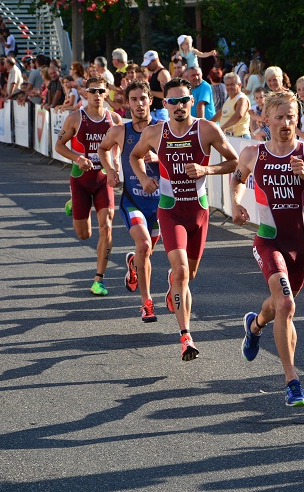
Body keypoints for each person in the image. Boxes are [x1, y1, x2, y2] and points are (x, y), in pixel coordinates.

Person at [231, 90, 304, 407]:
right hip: (269, 240)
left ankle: (254, 325)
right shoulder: (254, 154)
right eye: (279, 117)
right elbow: (238, 178)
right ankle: (292, 382)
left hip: (302, 245)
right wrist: (236, 203)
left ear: (298, 119)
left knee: (277, 306)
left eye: (291, 117)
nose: (285, 123)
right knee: (286, 306)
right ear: (265, 119)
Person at [129, 77, 239, 360]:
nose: (180, 106)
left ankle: (174, 286)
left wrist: (207, 171)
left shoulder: (207, 129)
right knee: (180, 273)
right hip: (171, 210)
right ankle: (186, 337)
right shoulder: (155, 133)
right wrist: (143, 178)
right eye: (174, 101)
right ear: (164, 104)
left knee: (189, 275)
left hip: (198, 213)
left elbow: (234, 161)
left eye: (185, 100)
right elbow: (135, 157)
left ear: (192, 101)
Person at [98, 81, 162, 322]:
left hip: (159, 204)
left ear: (150, 101)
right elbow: (103, 149)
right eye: (134, 99)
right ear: (128, 103)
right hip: (133, 200)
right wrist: (111, 169)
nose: (139, 103)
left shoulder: (163, 129)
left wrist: (158, 156)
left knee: (145, 252)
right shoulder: (120, 132)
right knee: (144, 245)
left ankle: (133, 264)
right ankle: (147, 303)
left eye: (143, 98)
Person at [54, 77, 122, 296]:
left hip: (103, 180)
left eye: (100, 91)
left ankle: (99, 279)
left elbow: (119, 145)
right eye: (92, 90)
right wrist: (77, 158)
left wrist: (115, 161)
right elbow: (59, 146)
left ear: (106, 94)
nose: (96, 94)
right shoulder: (75, 118)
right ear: (85, 93)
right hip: (81, 180)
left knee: (107, 226)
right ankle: (73, 203)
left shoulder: (114, 119)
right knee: (84, 235)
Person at [216, 72, 251, 138]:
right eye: (227, 85)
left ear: (239, 85)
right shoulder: (229, 99)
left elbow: (239, 115)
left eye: (232, 84)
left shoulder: (242, 99)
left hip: (240, 137)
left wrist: (222, 128)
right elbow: (220, 114)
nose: (229, 87)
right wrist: (205, 123)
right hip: (230, 137)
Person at [141, 50, 171, 122]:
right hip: (154, 110)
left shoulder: (163, 73)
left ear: (155, 60)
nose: (147, 67)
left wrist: (150, 92)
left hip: (160, 111)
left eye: (149, 64)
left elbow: (167, 95)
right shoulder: (155, 73)